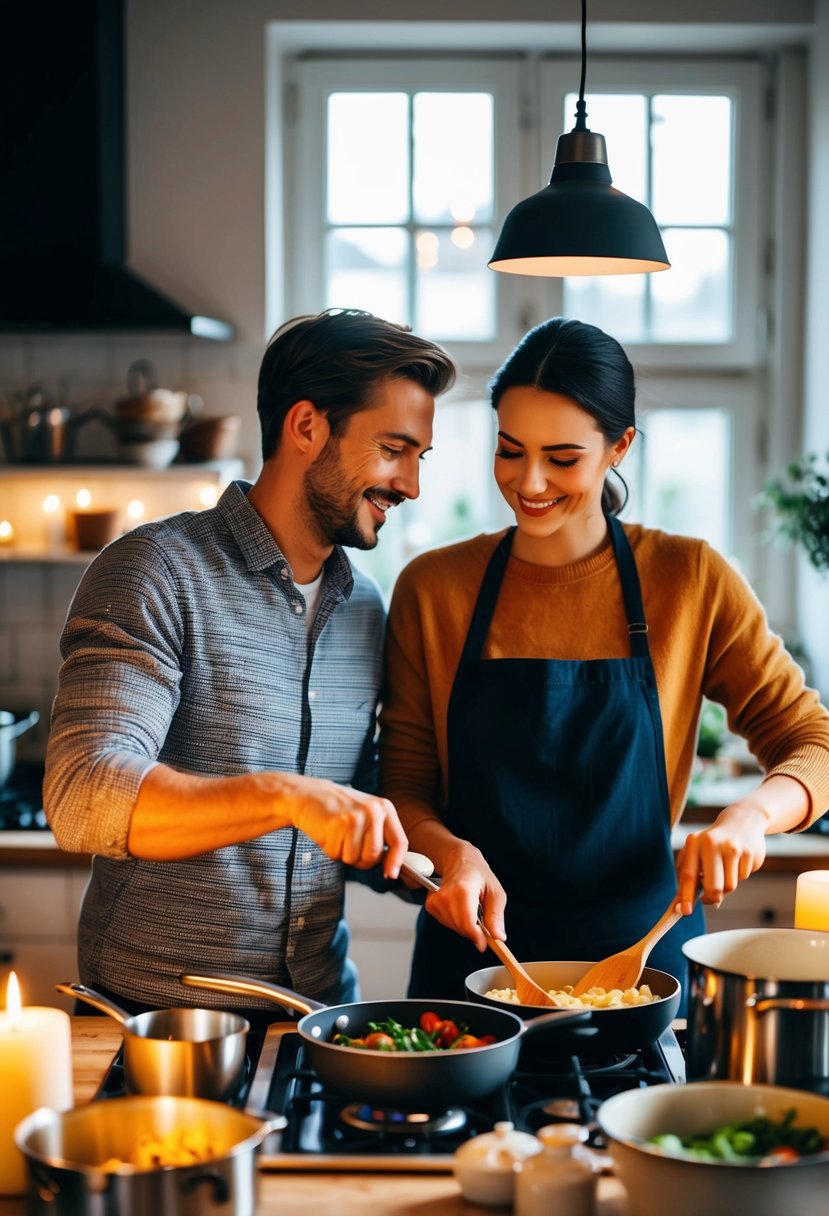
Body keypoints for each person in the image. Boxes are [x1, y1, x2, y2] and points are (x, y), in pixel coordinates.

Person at [379, 316, 829, 1007]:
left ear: (618, 446)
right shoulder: (433, 588)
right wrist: (448, 853)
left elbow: (814, 745)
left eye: (562, 459)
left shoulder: (689, 578)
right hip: (470, 963)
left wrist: (751, 816)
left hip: (641, 968)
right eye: (508, 450)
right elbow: (405, 784)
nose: (528, 482)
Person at [44, 308, 456, 1017]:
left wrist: (447, 862)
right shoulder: (155, 570)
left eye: (419, 456)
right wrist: (285, 796)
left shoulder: (363, 609)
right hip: (155, 1031)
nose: (411, 484)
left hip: (315, 1023)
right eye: (394, 449)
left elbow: (362, 814)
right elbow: (85, 796)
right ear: (305, 427)